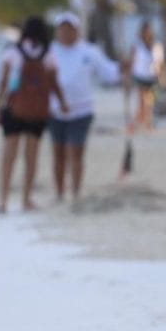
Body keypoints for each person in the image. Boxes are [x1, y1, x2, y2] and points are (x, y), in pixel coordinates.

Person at [0, 16, 67, 214]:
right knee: (31, 157)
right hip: (37, 112)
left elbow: (3, 82)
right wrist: (63, 104)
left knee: (9, 155)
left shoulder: (12, 52)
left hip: (13, 109)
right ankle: (26, 199)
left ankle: (3, 199)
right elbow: (54, 84)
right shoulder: (48, 55)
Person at [47, 12, 124, 202]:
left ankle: (76, 191)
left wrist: (123, 68)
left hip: (81, 110)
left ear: (77, 30)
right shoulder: (49, 51)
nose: (65, 32)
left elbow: (109, 73)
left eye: (69, 29)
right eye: (62, 29)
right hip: (55, 110)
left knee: (76, 150)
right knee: (58, 152)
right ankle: (59, 192)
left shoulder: (89, 52)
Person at [128, 21, 166, 130]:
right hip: (140, 76)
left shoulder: (157, 45)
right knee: (142, 101)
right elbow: (132, 61)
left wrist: (164, 77)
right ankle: (138, 122)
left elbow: (161, 63)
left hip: (152, 77)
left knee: (150, 102)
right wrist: (128, 77)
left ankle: (146, 122)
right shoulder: (136, 45)